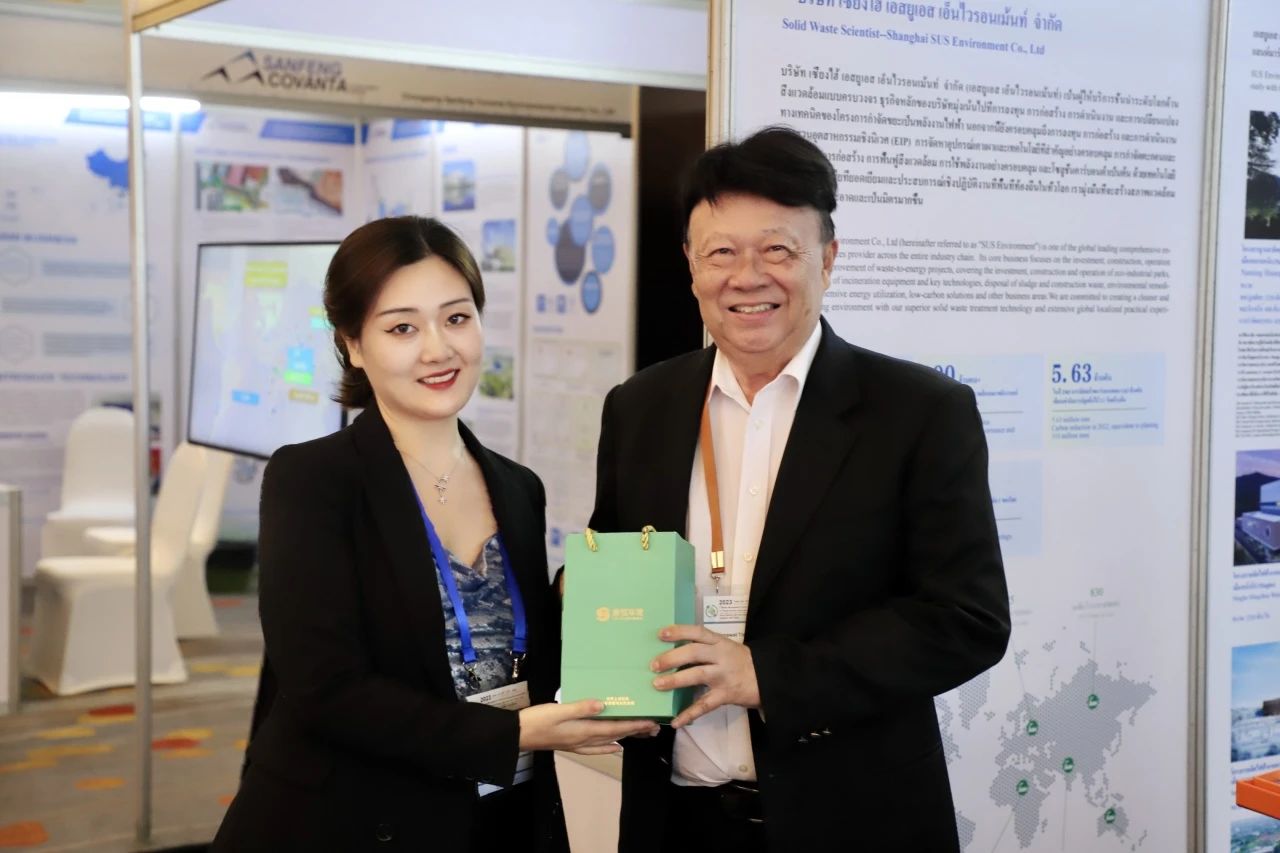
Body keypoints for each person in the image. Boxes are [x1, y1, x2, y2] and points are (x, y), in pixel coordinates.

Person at [587, 127, 1011, 852]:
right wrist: (585, 597)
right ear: (691, 265)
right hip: (675, 820)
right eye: (721, 252)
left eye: (778, 250)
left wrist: (769, 674)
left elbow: (965, 618)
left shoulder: (917, 412)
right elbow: (617, 554)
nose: (747, 277)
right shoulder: (639, 406)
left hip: (849, 818)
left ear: (828, 259)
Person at [214, 216, 656, 852]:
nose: (438, 349)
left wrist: (579, 605)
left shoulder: (517, 487)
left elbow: (513, 653)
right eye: (402, 328)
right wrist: (514, 735)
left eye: (456, 318)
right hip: (352, 820)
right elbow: (325, 688)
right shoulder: (312, 480)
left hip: (492, 815)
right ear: (353, 345)